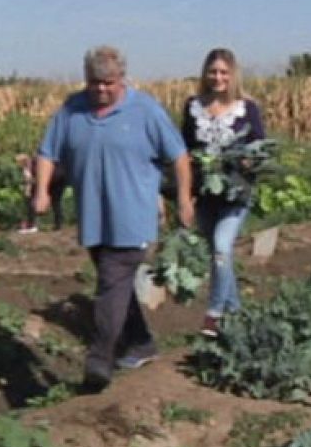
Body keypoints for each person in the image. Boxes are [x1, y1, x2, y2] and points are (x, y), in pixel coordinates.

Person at [33, 46, 194, 390]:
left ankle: (100, 359)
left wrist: (182, 199)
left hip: (133, 216)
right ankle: (141, 342)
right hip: (94, 217)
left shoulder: (145, 110)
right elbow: (47, 152)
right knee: (116, 286)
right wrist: (42, 190)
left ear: (122, 79)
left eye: (108, 83)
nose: (101, 89)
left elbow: (179, 156)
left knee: (111, 281)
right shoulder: (71, 110)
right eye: (95, 82)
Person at [181, 48, 267, 338]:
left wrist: (247, 162)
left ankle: (214, 313)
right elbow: (185, 150)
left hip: (235, 193)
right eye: (213, 72)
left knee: (221, 247)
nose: (218, 77)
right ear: (205, 74)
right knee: (218, 256)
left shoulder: (247, 109)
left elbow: (261, 149)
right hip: (205, 195)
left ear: (232, 76)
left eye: (224, 72)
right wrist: (184, 191)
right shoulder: (193, 107)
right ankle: (236, 316)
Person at [15, 153, 66, 233]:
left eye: (19, 163)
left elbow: (31, 181)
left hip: (54, 179)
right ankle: (58, 225)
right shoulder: (36, 161)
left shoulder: (31, 166)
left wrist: (28, 191)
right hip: (59, 178)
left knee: (32, 199)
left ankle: (32, 224)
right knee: (56, 202)